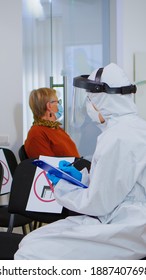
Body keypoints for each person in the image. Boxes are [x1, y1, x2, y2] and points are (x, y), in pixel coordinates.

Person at [15, 63, 146, 260]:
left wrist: (64, 186)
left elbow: (98, 202)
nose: (88, 106)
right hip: (122, 218)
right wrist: (83, 179)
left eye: (90, 99)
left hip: (127, 226)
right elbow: (119, 187)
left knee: (30, 252)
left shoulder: (117, 137)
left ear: (103, 99)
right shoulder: (134, 127)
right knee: (30, 241)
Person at [24, 87, 80, 158]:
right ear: (49, 106)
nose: (60, 105)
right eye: (58, 102)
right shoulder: (36, 133)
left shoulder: (56, 128)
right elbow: (48, 165)